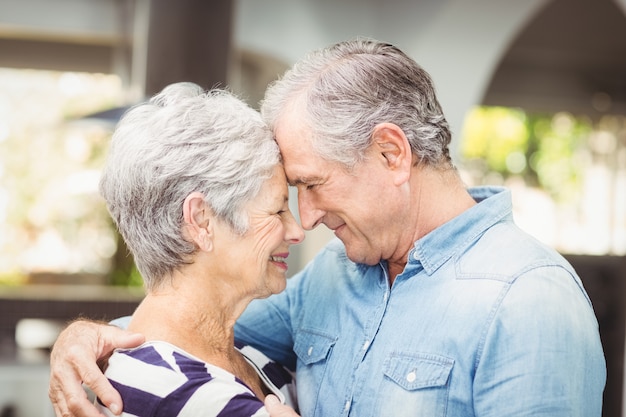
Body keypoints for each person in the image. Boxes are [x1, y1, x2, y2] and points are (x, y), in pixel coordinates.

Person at [49, 39, 606, 417]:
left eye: (313, 184)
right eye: (288, 199)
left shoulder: (530, 301)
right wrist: (82, 341)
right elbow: (189, 322)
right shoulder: (333, 276)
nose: (307, 219)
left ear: (392, 154)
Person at [61, 81, 304, 417]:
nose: (297, 230)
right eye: (277, 210)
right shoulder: (184, 393)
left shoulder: (247, 354)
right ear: (201, 221)